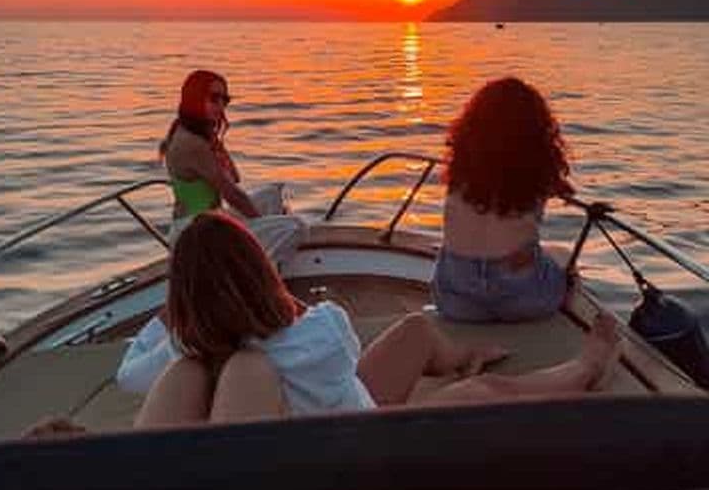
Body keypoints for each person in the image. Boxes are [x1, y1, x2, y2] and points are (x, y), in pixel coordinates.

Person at [129, 212, 620, 429]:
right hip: (357, 431)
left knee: (414, 333)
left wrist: (173, 325)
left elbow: (130, 375)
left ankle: (464, 357)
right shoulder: (321, 331)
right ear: (262, 274)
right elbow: (322, 344)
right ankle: (583, 370)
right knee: (478, 396)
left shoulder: (183, 362)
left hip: (330, 411)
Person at [431, 77, 574, 322]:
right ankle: (565, 321)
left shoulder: (460, 169)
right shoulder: (536, 172)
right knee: (564, 257)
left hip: (455, 301)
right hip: (522, 301)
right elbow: (558, 189)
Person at [159, 69, 304, 264]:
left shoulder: (194, 132)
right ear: (194, 98)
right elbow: (232, 193)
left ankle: (260, 264)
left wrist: (217, 143)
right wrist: (259, 223)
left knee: (274, 194)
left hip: (210, 221)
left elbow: (235, 177)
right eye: (213, 98)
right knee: (295, 226)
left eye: (224, 100)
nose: (220, 106)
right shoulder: (191, 143)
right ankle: (258, 276)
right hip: (195, 235)